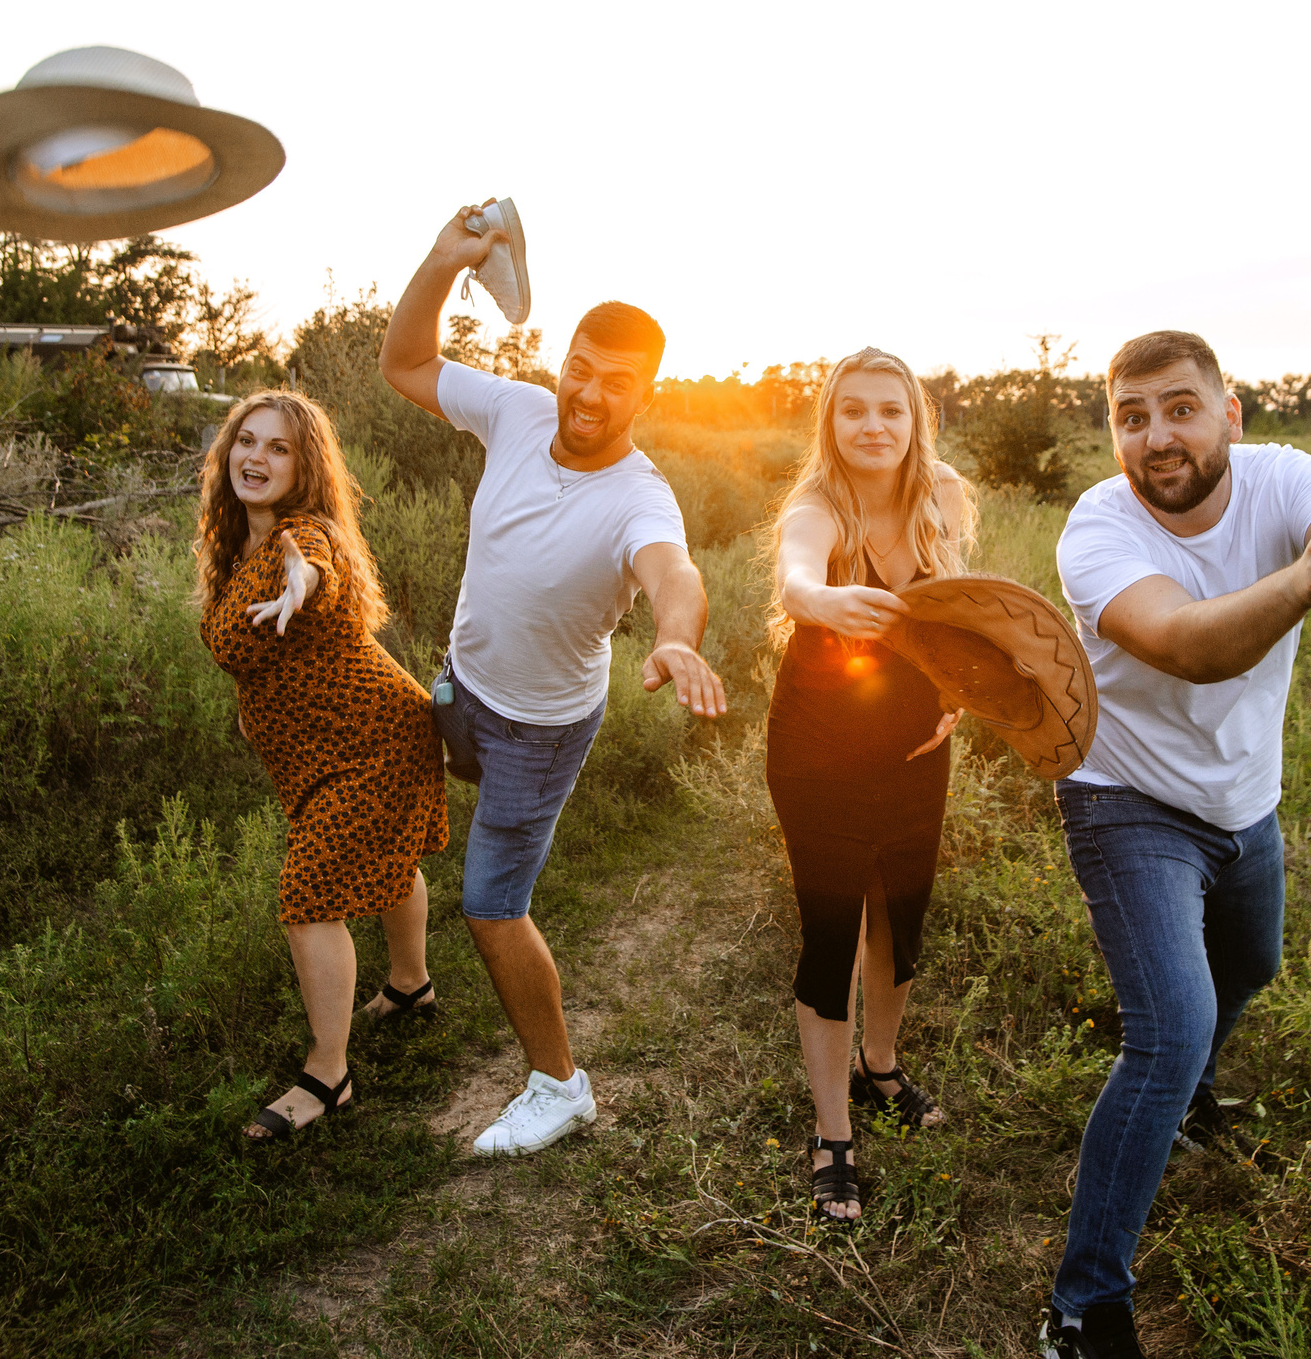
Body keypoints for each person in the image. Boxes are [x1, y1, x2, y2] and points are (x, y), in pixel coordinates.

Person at [1038, 331, 1311, 1359]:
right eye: (1132, 416)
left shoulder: (1285, 478)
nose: (1157, 435)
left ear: (1231, 413)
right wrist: (1309, 578)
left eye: (1180, 407)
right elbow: (1187, 644)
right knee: (1168, 1025)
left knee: (1251, 962)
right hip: (1122, 792)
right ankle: (1085, 1303)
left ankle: (1185, 1091)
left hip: (1242, 794)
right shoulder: (1096, 525)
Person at [381, 204, 729, 1157]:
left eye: (616, 383)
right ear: (563, 360)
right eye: (580, 366)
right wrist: (444, 260)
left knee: (492, 905)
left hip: (540, 729)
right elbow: (404, 364)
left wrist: (678, 637)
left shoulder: (640, 496)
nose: (588, 392)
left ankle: (559, 1085)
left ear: (645, 394)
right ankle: (403, 981)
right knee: (388, 784)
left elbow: (673, 572)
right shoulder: (520, 409)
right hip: (465, 687)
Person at [194, 389, 451, 1143]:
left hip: (373, 739)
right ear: (228, 450)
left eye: (279, 448)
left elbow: (318, 572)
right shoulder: (238, 541)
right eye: (247, 440)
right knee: (388, 859)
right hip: (323, 750)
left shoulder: (301, 537)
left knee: (310, 897)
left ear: (304, 468)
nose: (256, 457)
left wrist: (301, 579)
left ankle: (327, 1074)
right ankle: (410, 986)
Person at [766, 348, 977, 1222]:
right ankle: (832, 1134)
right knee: (834, 930)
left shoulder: (946, 497)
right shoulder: (819, 506)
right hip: (818, 747)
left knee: (901, 912)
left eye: (890, 410)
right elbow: (794, 572)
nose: (872, 426)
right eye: (853, 410)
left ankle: (880, 1064)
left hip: (918, 748)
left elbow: (960, 612)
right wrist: (819, 602)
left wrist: (960, 688)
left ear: (915, 419)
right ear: (832, 421)